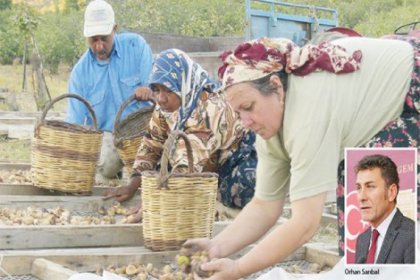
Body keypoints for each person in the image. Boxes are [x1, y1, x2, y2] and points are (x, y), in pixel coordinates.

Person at [183, 35, 418, 279]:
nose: (245, 121)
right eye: (239, 112)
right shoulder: (269, 127)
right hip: (383, 99)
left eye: (249, 107)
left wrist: (238, 268)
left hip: (413, 84)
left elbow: (305, 224)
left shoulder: (307, 116)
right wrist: (217, 247)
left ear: (276, 87)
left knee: (383, 206)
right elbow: (265, 206)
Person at [103, 48, 257, 218]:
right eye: (156, 90)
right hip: (205, 162)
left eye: (168, 90)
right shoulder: (164, 109)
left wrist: (155, 205)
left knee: (238, 191)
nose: (161, 98)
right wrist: (132, 186)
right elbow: (151, 145)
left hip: (235, 159)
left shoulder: (208, 108)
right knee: (164, 166)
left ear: (183, 84)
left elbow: (188, 163)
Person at [65, 0, 153, 181]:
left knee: (146, 180)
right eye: (93, 40)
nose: (99, 46)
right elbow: (74, 122)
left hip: (143, 133)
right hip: (108, 139)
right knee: (102, 177)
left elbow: (154, 84)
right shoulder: (80, 73)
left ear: (114, 29)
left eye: (104, 39)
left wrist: (147, 88)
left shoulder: (136, 46)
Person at [354, 154, 415, 264]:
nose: (361, 197)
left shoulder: (412, 236)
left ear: (391, 192)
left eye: (370, 186)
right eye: (359, 188)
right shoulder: (362, 239)